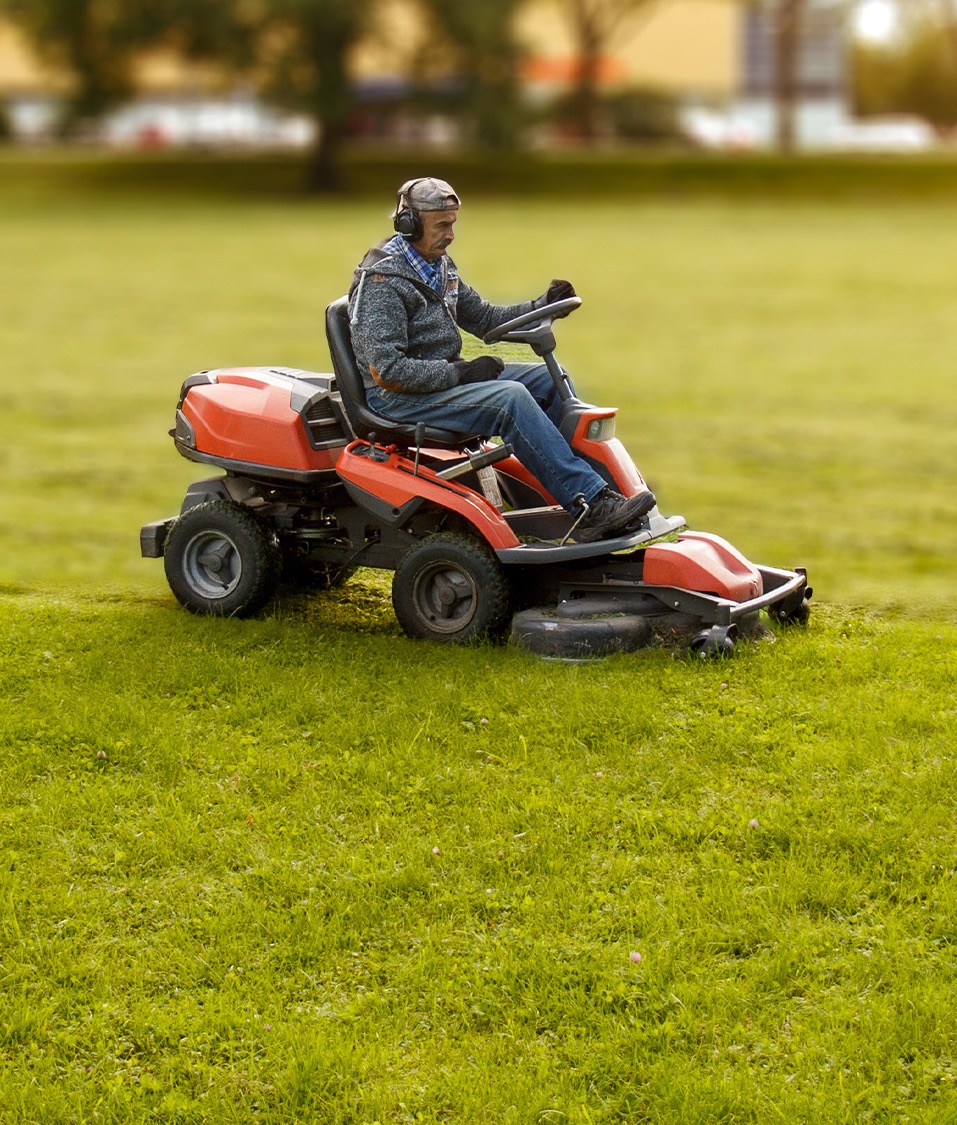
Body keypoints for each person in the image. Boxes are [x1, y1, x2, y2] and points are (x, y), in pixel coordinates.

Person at [347, 176, 655, 542]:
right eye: (442, 225)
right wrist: (460, 374)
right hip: (400, 398)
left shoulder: (437, 265)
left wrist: (542, 306)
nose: (451, 234)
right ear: (409, 224)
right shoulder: (384, 281)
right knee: (509, 399)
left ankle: (601, 497)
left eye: (453, 224)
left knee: (550, 380)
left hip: (437, 383)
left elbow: (485, 318)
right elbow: (386, 373)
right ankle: (588, 503)